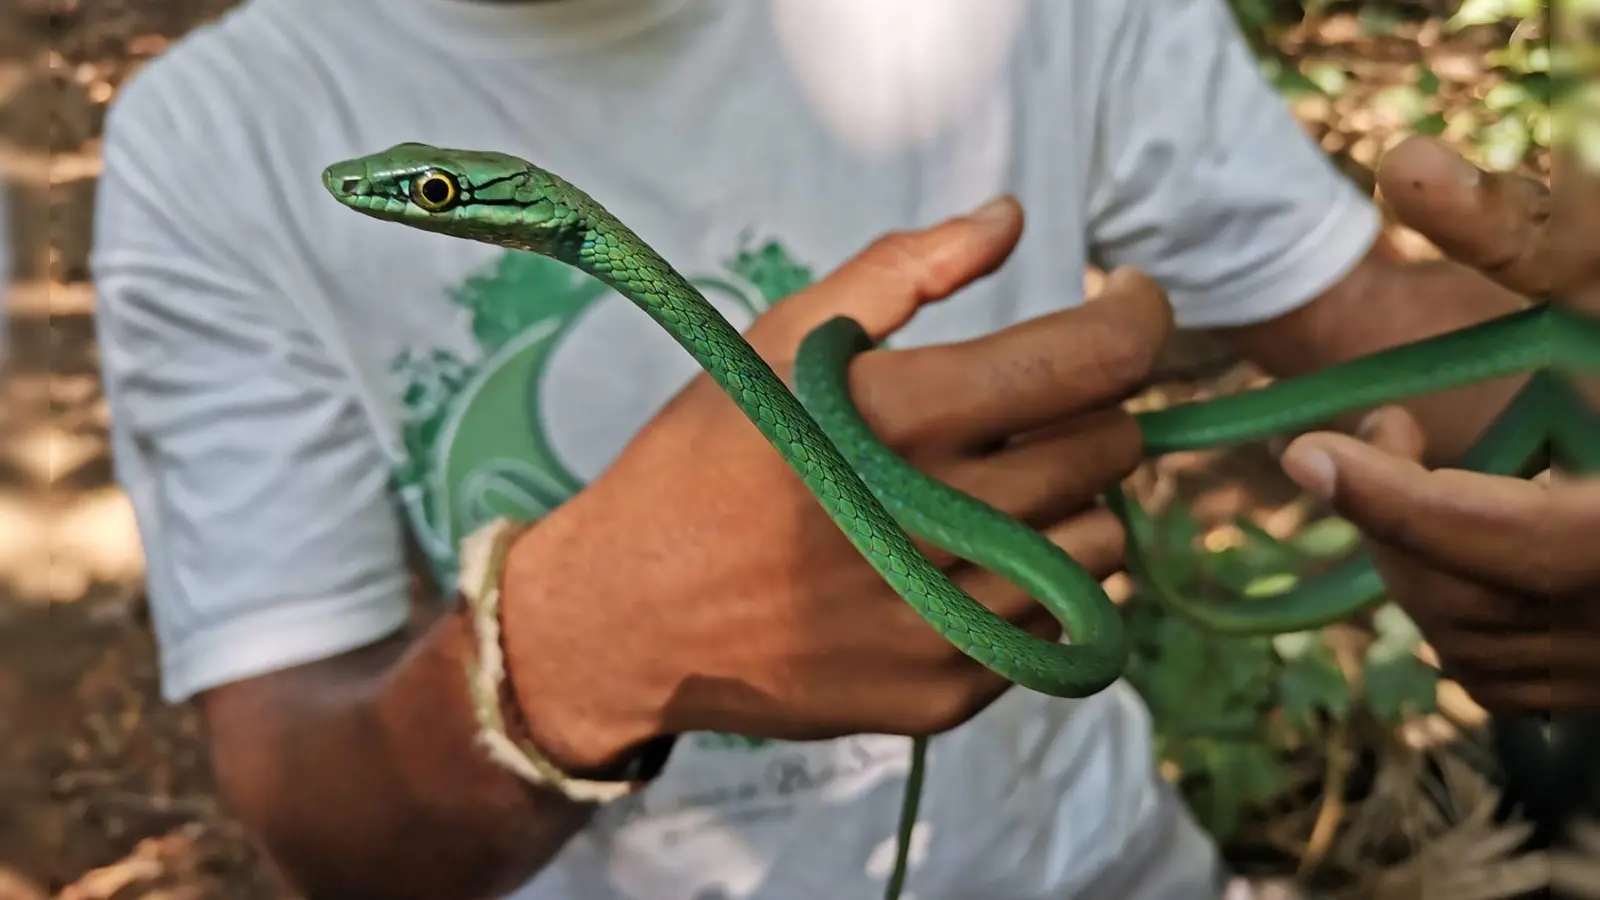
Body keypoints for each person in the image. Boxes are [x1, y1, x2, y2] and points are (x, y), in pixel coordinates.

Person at [87, 0, 1587, 898]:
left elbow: (1373, 316)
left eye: (434, 195)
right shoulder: (216, 139)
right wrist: (570, 650)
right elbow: (322, 826)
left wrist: (1576, 377)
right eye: (433, 196)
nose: (418, 204)